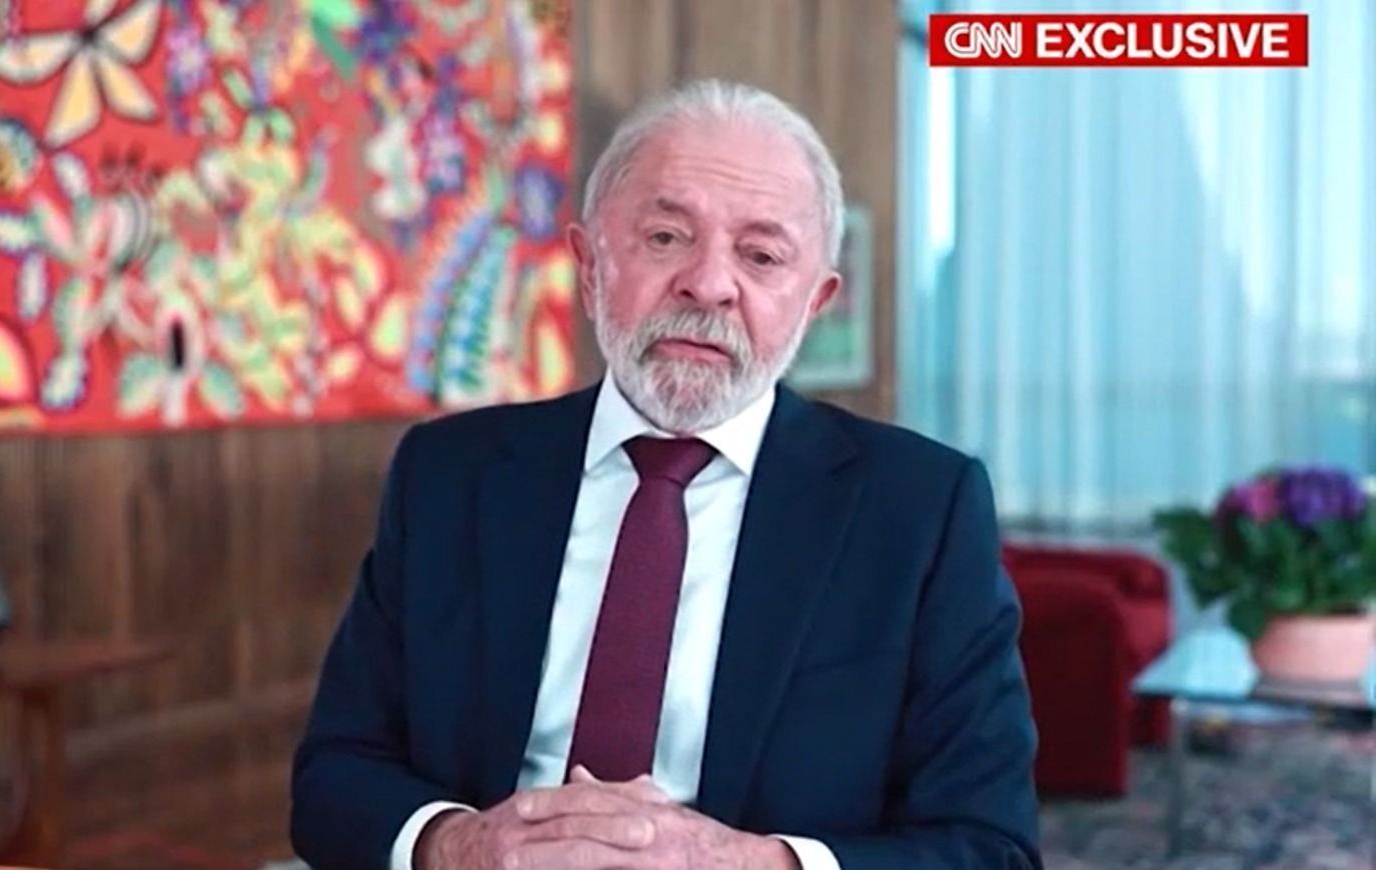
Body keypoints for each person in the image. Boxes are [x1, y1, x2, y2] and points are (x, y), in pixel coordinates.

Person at [290, 79, 1040, 870]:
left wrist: (746, 865)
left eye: (761, 256)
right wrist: (459, 846)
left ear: (815, 302)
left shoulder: (920, 511)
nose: (708, 284)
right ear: (589, 264)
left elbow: (989, 845)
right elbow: (335, 776)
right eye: (665, 237)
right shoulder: (448, 475)